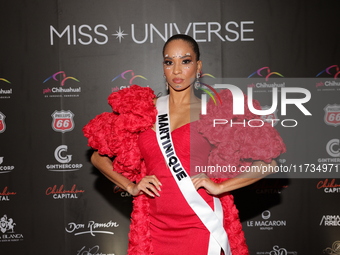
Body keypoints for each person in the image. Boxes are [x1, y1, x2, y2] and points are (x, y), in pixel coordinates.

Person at [83, 34, 286, 255]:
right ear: (163, 67)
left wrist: (220, 188)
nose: (177, 70)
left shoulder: (215, 110)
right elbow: (97, 156)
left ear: (198, 66)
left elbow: (268, 163)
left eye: (185, 61)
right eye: (169, 62)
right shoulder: (142, 110)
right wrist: (131, 186)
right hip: (154, 227)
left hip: (201, 223)